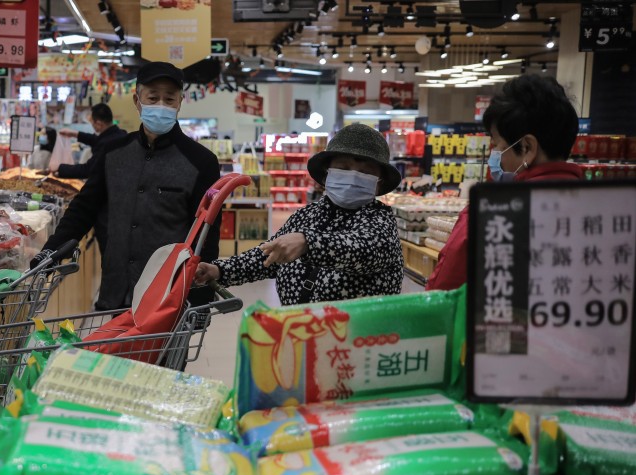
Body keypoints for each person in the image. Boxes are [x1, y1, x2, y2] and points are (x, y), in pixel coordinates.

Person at [31, 62, 221, 311]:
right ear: (137, 100)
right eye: (153, 98)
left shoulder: (201, 162)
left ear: (180, 102)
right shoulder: (113, 153)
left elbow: (207, 233)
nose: (161, 106)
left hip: (170, 297)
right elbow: (84, 208)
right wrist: (49, 254)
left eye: (169, 99)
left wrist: (201, 299)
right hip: (117, 293)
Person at [195, 124, 404, 305]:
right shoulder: (308, 214)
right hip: (300, 336)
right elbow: (270, 255)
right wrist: (220, 270)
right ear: (327, 174)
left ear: (379, 184)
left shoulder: (381, 223)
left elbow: (361, 249)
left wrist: (308, 242)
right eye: (344, 167)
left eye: (366, 171)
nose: (353, 176)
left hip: (355, 345)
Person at [427, 74, 581, 291]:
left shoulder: (490, 212)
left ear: (527, 147)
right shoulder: (608, 210)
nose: (495, 154)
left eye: (497, 144)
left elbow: (442, 295)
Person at [54, 103, 127, 179]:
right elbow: (96, 140)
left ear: (99, 124)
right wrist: (74, 134)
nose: (92, 124)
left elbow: (88, 169)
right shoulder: (119, 134)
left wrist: (60, 168)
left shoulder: (107, 143)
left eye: (92, 122)